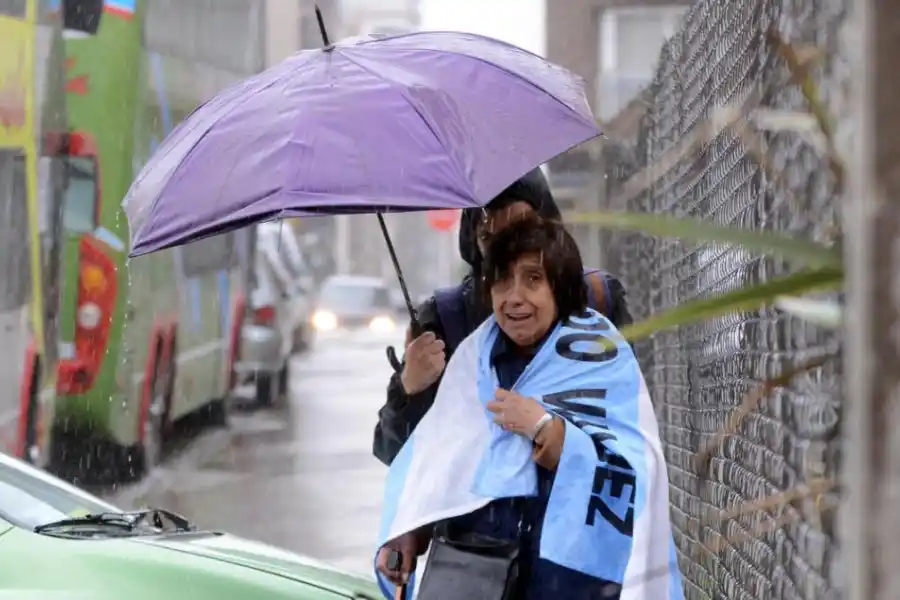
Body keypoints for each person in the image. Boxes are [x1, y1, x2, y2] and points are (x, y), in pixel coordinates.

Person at [374, 215, 680, 600]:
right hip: (475, 576)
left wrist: (548, 432)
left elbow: (634, 471)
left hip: (569, 582)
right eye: (502, 280)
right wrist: (409, 529)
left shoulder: (601, 355)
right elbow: (439, 460)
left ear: (560, 287)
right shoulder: (472, 362)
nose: (514, 296)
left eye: (533, 279)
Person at [373, 167, 633, 466]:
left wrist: (549, 432)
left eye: (522, 231)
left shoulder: (597, 301)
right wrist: (410, 390)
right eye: (490, 236)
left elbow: (629, 436)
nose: (508, 250)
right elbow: (394, 451)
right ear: (475, 242)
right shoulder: (447, 319)